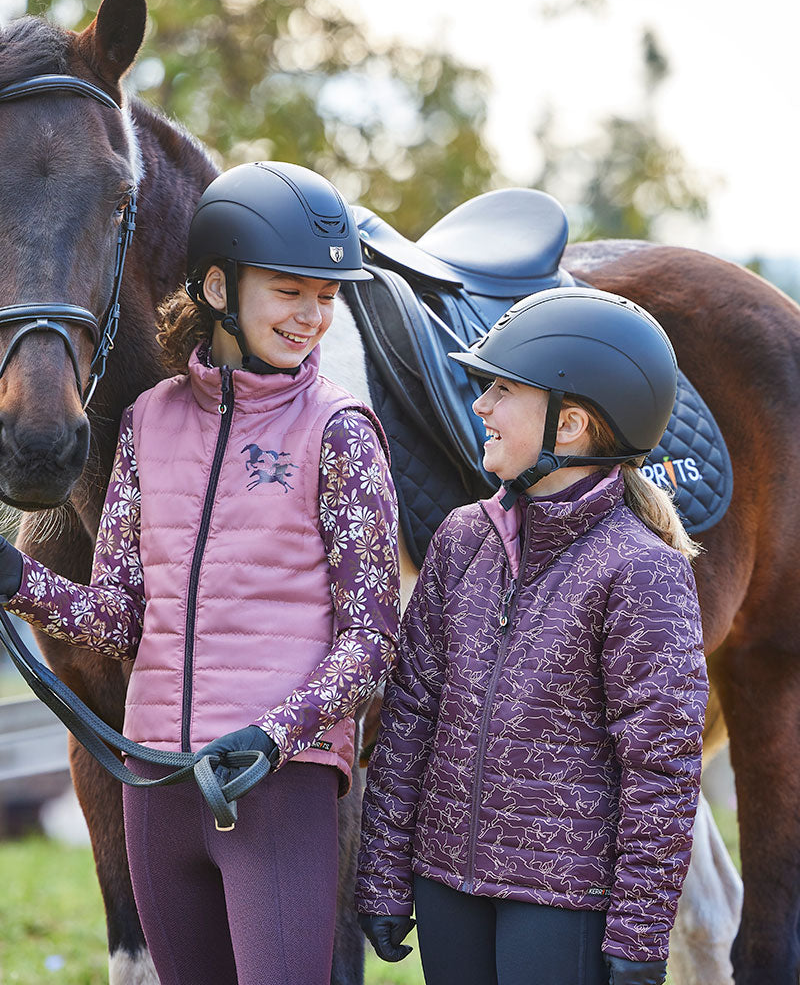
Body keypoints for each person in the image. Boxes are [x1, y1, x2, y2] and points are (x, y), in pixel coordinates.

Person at [0, 161, 401, 985]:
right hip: (155, 791)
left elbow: (371, 639)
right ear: (218, 284)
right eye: (290, 290)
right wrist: (17, 579)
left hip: (270, 789)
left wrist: (277, 735)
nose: (313, 317)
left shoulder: (342, 432)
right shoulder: (147, 423)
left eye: (326, 297)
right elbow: (118, 617)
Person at [355, 287, 708, 985]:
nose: (480, 405)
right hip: (446, 881)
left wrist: (640, 933)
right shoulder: (460, 540)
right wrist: (386, 875)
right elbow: (408, 721)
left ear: (570, 424)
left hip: (563, 899)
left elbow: (661, 773)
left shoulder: (644, 571)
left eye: (502, 390)